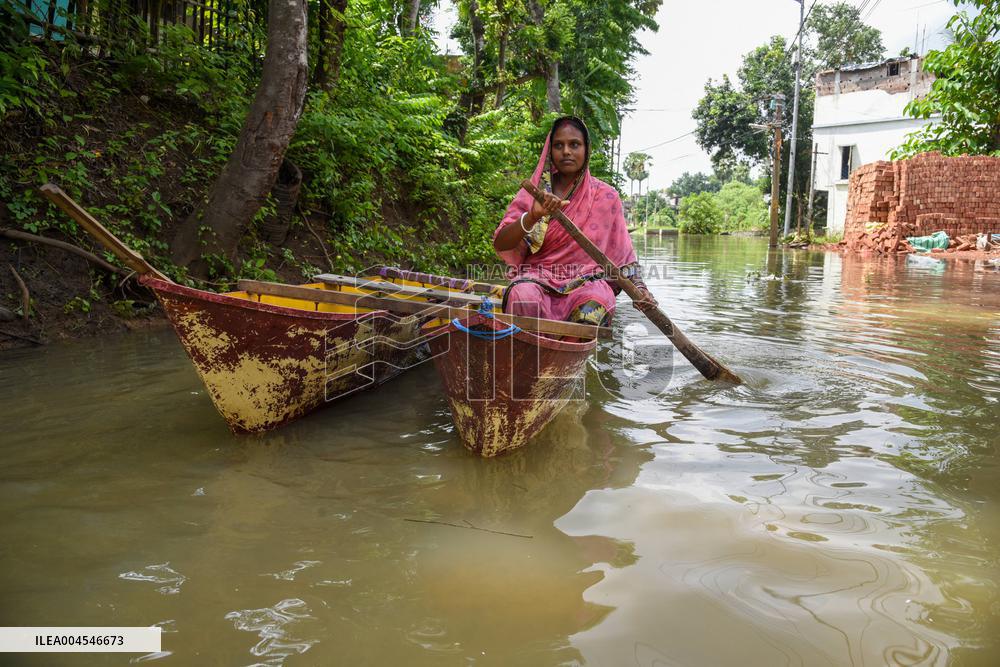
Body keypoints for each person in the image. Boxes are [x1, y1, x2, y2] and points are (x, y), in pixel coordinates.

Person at [493, 116, 657, 328]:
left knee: (593, 306)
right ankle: (527, 350)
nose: (566, 151)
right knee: (522, 295)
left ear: (586, 150)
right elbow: (501, 244)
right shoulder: (535, 193)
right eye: (559, 145)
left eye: (574, 144)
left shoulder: (606, 196)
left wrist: (640, 289)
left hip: (588, 283)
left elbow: (623, 257)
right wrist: (533, 216)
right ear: (550, 151)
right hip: (536, 279)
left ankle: (564, 352)